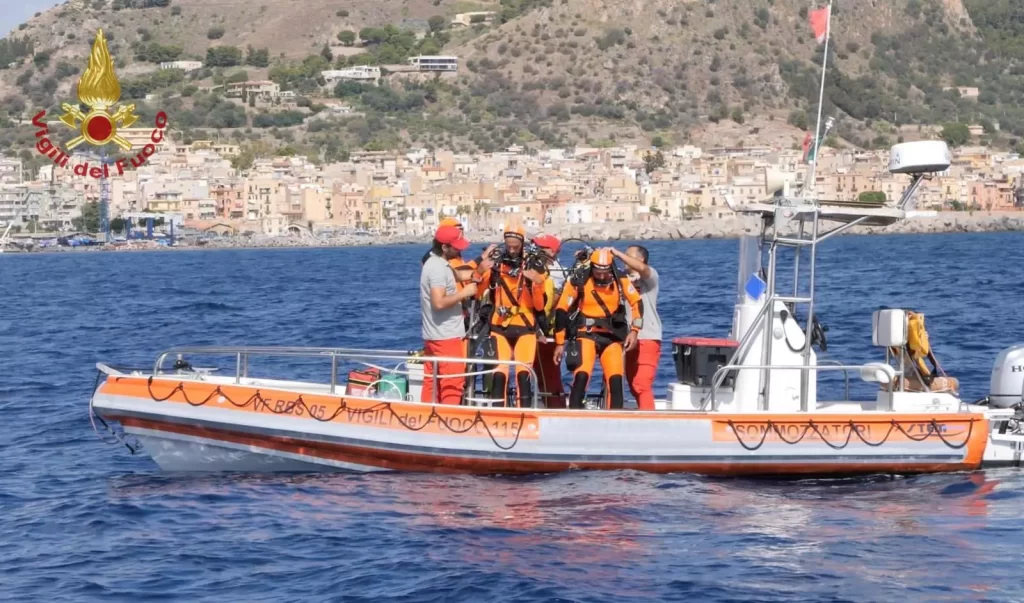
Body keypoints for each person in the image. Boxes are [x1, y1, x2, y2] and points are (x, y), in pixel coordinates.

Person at [553, 249, 643, 410]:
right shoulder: (579, 280)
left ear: (611, 269)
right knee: (581, 376)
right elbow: (561, 309)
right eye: (598, 272)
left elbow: (636, 303)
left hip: (612, 336)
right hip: (585, 334)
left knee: (615, 380)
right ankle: (574, 418)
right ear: (592, 268)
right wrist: (560, 343)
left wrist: (635, 330)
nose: (602, 276)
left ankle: (615, 421)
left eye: (605, 272)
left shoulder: (620, 279)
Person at [476, 224, 545, 407]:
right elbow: (476, 292)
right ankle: (499, 414)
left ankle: (525, 414)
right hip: (499, 325)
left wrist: (538, 284)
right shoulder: (496, 264)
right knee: (500, 373)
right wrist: (480, 271)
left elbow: (539, 306)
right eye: (509, 246)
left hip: (525, 326)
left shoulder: (532, 265)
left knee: (524, 373)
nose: (512, 250)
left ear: (522, 244)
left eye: (516, 246)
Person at [420, 225, 477, 405]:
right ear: (444, 247)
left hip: (433, 336)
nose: (460, 249)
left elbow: (456, 275)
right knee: (452, 382)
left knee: (432, 381)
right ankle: (448, 423)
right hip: (446, 337)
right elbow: (438, 302)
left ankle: (427, 418)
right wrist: (465, 293)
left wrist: (479, 271)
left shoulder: (436, 263)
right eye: (456, 246)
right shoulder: (438, 268)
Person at [610, 245, 661, 411]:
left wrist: (617, 254)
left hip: (647, 336)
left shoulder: (650, 277)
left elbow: (643, 270)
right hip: (626, 337)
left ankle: (649, 421)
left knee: (641, 384)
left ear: (640, 259)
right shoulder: (621, 279)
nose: (624, 258)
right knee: (632, 385)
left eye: (628, 255)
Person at [530, 234, 565, 408]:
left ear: (551, 251)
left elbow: (554, 303)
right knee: (545, 375)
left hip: (547, 331)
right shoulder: (543, 268)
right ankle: (555, 406)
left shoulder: (554, 273)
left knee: (547, 375)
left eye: (540, 247)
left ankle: (555, 409)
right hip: (543, 328)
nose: (535, 250)